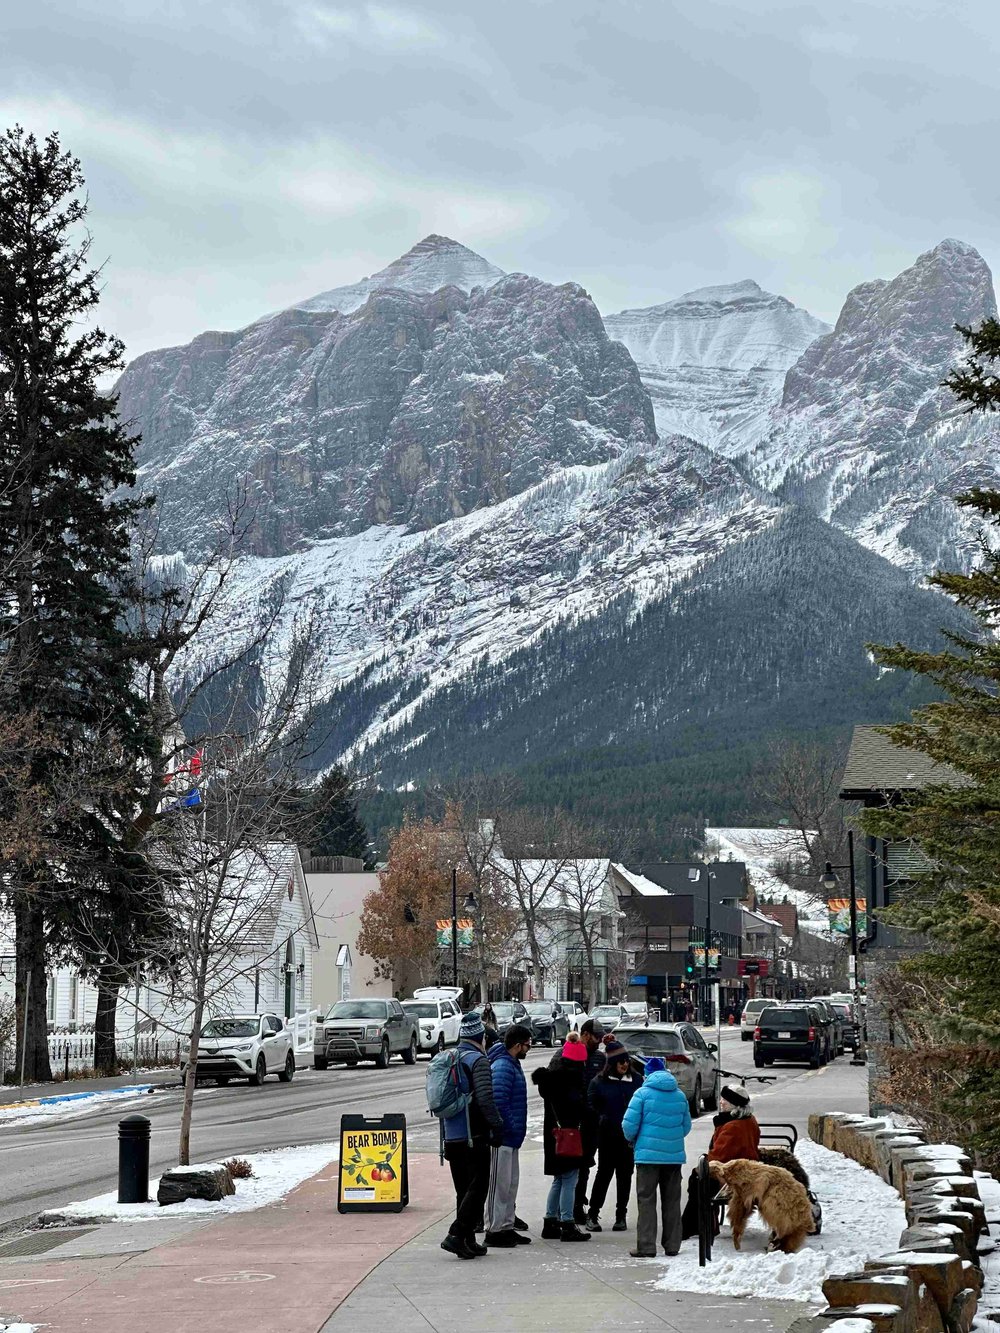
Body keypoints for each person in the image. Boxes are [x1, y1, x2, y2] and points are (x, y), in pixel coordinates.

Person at [440, 1011, 505, 1260]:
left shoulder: (452, 1056)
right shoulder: (478, 1061)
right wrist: (497, 1125)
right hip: (473, 1134)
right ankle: (456, 1235)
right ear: (481, 1037)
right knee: (478, 1187)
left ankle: (467, 1240)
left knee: (463, 1190)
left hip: (451, 1134)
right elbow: (486, 1099)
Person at [621, 1055, 691, 1259]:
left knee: (646, 1201)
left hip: (647, 1157)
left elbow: (628, 1125)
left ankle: (646, 1246)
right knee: (672, 1201)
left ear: (647, 1075)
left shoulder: (641, 1094)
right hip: (673, 1158)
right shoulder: (679, 1095)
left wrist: (634, 1140)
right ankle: (672, 1245)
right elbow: (686, 1126)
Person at [531, 1032, 591, 1242]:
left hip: (554, 1136)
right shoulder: (571, 1083)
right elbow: (581, 1110)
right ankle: (567, 1223)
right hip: (570, 1136)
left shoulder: (550, 1080)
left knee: (559, 1178)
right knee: (570, 1179)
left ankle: (550, 1221)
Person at [585, 1038, 642, 1232]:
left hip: (628, 1139)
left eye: (626, 1060)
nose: (624, 1064)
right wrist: (602, 1118)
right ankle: (593, 1213)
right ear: (611, 1063)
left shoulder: (635, 1081)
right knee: (604, 1175)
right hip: (607, 1137)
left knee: (625, 1176)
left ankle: (621, 1215)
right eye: (620, 1061)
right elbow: (591, 1104)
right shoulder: (599, 1082)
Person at [485, 1023, 532, 1247]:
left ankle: (506, 1226)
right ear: (517, 1045)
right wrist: (510, 1125)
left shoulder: (511, 1063)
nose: (529, 1048)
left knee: (510, 1184)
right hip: (502, 1136)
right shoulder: (503, 1066)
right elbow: (499, 1101)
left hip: (511, 1136)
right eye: (527, 1044)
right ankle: (494, 1229)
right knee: (499, 1186)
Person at [572, 1016, 606, 1223]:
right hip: (575, 1121)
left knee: (584, 1165)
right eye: (596, 1037)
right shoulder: (573, 1054)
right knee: (573, 1166)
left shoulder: (600, 1058)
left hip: (593, 1121)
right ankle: (572, 1205)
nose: (599, 1041)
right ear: (585, 1035)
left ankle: (578, 1204)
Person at [707, 1085, 760, 1162]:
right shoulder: (750, 1119)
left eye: (724, 1099)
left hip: (733, 1169)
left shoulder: (732, 1127)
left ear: (734, 1104)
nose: (720, 1102)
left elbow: (718, 1157)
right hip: (750, 1164)